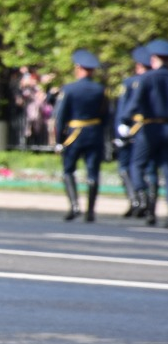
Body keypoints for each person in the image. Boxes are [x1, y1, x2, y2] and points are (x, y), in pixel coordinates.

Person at [54, 50, 109, 222]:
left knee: (68, 170)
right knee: (93, 173)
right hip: (94, 134)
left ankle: (75, 206)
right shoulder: (101, 90)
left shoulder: (69, 89)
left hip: (74, 135)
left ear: (78, 68)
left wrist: (58, 141)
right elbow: (105, 116)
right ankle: (90, 211)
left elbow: (60, 117)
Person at [119, 38, 168, 226]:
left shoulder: (147, 78)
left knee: (138, 165)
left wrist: (124, 121)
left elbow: (135, 102)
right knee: (165, 170)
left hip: (150, 128)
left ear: (155, 59)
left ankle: (146, 201)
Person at [115, 47, 151, 217]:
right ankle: (143, 203)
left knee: (126, 166)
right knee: (146, 169)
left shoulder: (131, 83)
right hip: (148, 129)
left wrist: (119, 130)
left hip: (132, 130)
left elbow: (123, 110)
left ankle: (137, 201)